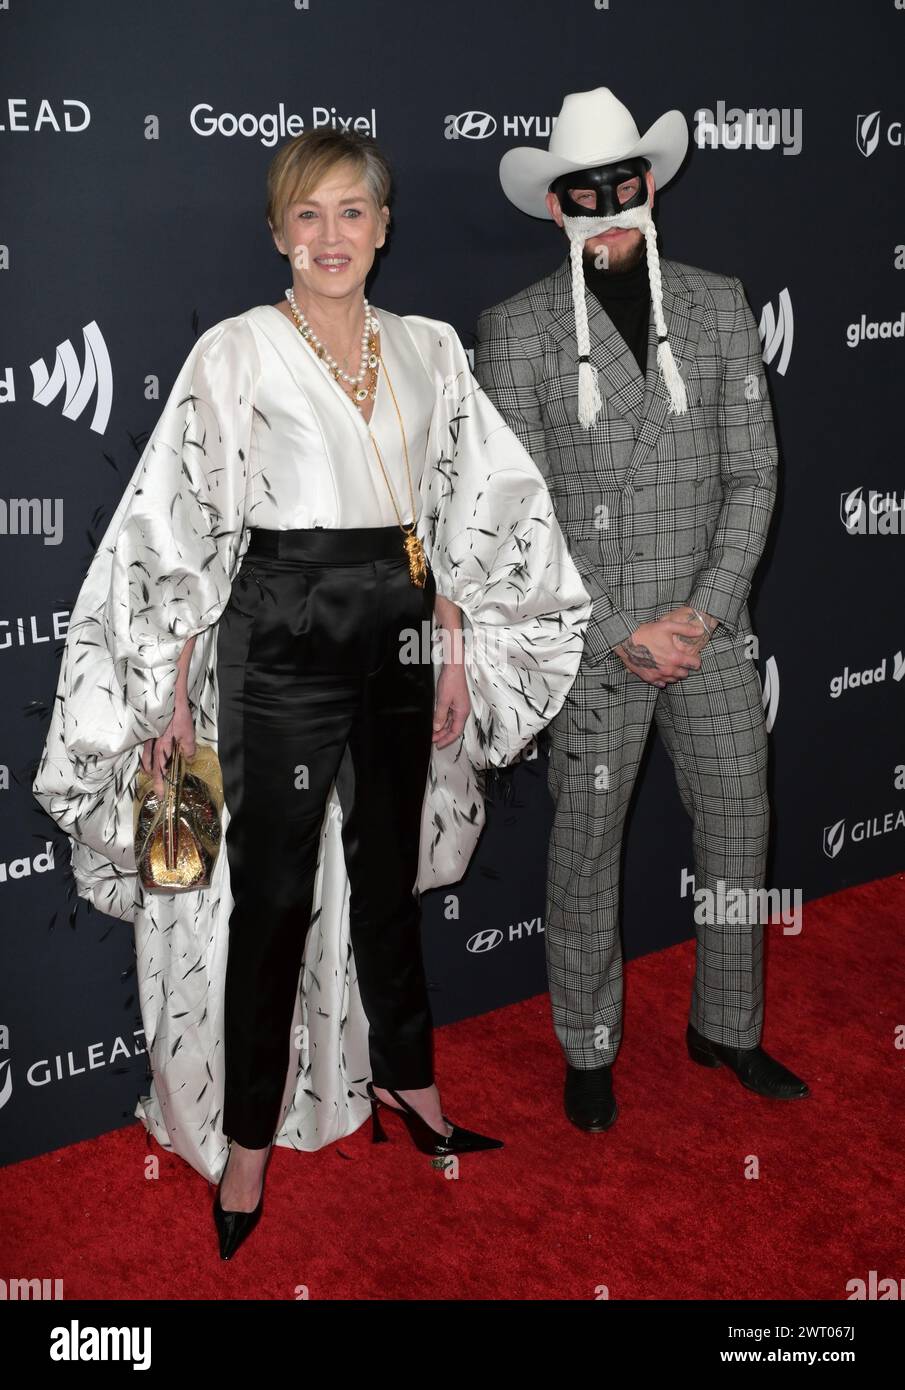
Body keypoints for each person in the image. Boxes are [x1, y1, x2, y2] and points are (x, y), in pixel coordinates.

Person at [32, 129, 592, 1259]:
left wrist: (453, 621)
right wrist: (173, 690)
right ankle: (246, 1141)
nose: (329, 235)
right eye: (307, 214)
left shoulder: (430, 347)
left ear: (384, 227)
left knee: (386, 881)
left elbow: (459, 497)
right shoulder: (235, 353)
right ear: (276, 233)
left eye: (351, 212)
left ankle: (411, 1084)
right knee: (270, 900)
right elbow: (181, 521)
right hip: (279, 638)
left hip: (395, 633)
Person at [473, 86, 809, 1136]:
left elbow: (753, 474)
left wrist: (703, 613)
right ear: (554, 205)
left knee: (740, 830)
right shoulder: (515, 330)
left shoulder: (716, 303)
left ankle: (727, 1022)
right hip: (594, 637)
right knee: (584, 847)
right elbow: (516, 516)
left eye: (623, 187)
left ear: (649, 185)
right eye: (585, 194)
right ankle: (586, 1045)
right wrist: (622, 623)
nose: (608, 210)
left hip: (706, 633)